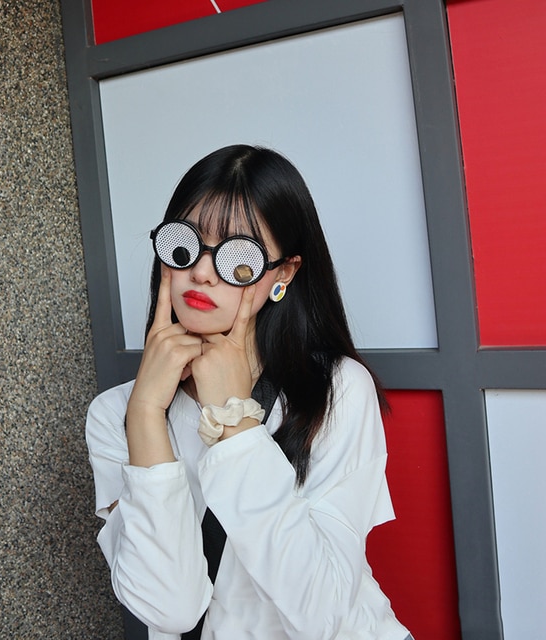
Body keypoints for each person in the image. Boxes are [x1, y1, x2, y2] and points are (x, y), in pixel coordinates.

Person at [86, 145, 413, 639]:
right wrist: (147, 413)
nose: (201, 272)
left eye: (239, 256)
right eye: (185, 244)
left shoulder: (337, 389)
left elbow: (324, 614)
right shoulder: (117, 414)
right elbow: (171, 609)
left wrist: (237, 428)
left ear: (284, 273)